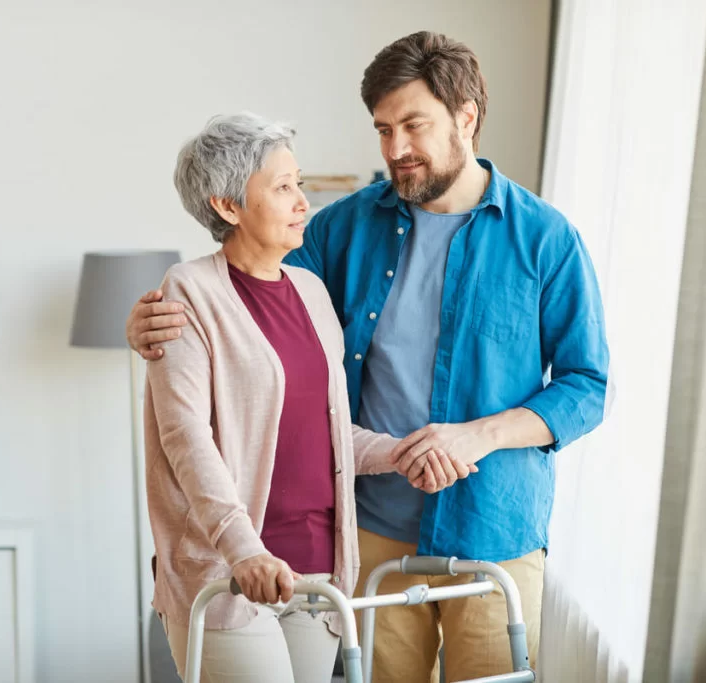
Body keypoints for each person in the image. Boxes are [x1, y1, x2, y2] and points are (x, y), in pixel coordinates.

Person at [129, 32, 609, 683]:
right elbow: (243, 304)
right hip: (369, 530)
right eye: (383, 129)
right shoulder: (339, 228)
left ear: (466, 117)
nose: (394, 149)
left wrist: (479, 436)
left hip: (495, 526)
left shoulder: (545, 239)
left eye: (413, 125)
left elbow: (586, 385)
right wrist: (152, 325)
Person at [143, 111, 476, 683]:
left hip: (319, 568)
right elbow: (187, 439)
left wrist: (401, 453)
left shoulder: (310, 291)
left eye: (299, 183)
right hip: (231, 571)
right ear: (228, 206)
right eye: (282, 187)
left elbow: (326, 430)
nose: (302, 201)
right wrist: (243, 551)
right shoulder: (188, 291)